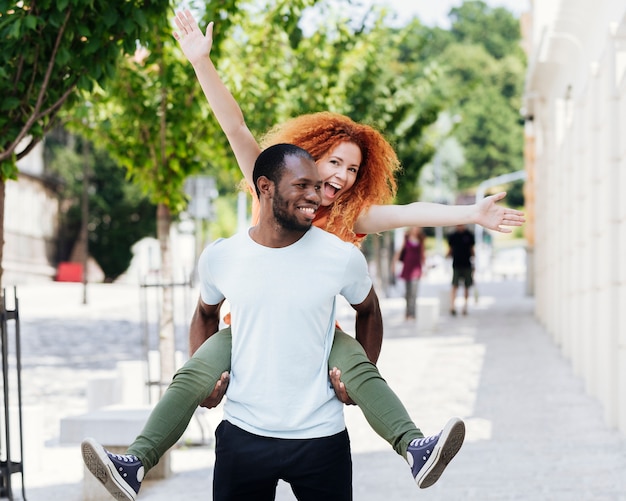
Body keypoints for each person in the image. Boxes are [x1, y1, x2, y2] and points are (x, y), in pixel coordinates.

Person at [82, 144, 465, 500]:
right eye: (302, 185)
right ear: (264, 187)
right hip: (244, 438)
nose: (315, 196)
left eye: (317, 186)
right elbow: (204, 312)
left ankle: (414, 448)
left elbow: (369, 309)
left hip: (321, 439)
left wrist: (354, 385)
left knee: (357, 363)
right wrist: (211, 386)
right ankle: (135, 464)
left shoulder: (340, 256)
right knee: (191, 373)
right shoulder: (222, 255)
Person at [393, 227, 426, 320]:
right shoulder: (406, 237)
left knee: (414, 292)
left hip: (416, 268)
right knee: (408, 292)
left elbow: (423, 254)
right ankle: (407, 313)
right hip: (407, 268)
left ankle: (413, 313)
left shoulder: (421, 239)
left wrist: (425, 268)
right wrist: (394, 264)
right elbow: (400, 251)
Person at [447, 224, 475, 315]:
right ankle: (452, 306)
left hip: (467, 264)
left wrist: (474, 263)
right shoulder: (453, 236)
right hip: (456, 264)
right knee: (454, 286)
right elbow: (450, 249)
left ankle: (465, 307)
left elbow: (472, 250)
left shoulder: (469, 235)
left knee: (467, 286)